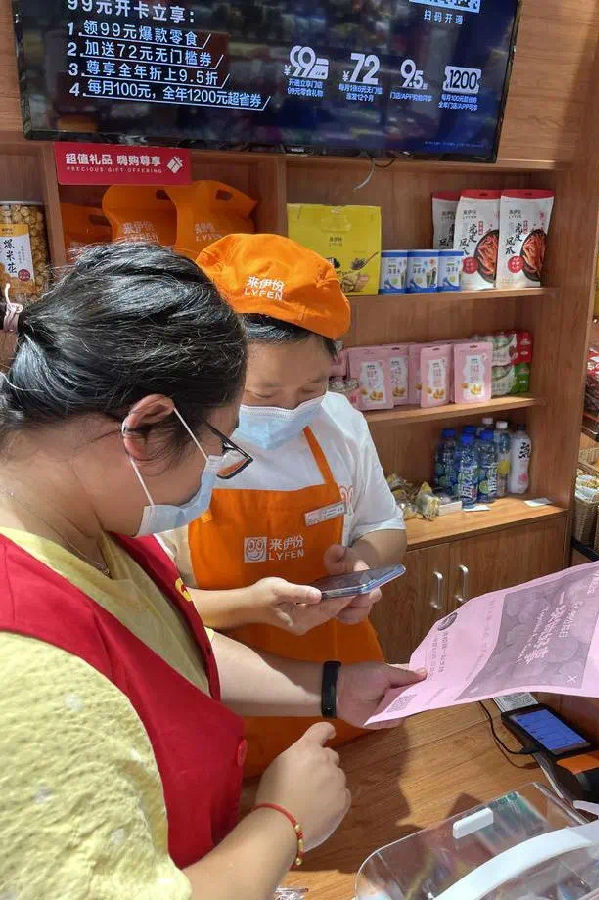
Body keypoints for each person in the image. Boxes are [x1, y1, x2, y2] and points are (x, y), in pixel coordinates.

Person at [0, 243, 424, 900]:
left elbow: (170, 649)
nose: (217, 470)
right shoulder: (25, 667)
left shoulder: (91, 527)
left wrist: (333, 686)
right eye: (220, 444)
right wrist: (282, 823)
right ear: (146, 428)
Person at [161, 234, 407, 776]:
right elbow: (150, 610)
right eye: (263, 395)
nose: (289, 410)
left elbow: (385, 524)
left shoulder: (340, 424)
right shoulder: (171, 445)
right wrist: (250, 605)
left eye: (311, 388)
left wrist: (362, 565)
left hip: (348, 699)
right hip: (224, 714)